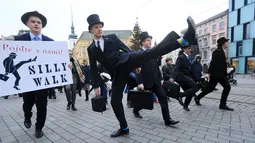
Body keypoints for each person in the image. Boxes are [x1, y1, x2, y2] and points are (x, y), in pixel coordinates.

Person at [86, 14, 197, 137]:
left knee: (150, 53)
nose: (99, 29)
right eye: (96, 27)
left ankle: (183, 40)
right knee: (115, 101)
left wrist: (136, 63)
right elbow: (93, 67)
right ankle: (124, 128)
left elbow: (125, 48)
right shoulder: (91, 49)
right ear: (91, 30)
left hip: (126, 60)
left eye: (100, 26)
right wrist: (96, 86)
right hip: (117, 74)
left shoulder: (111, 37)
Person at [14, 11, 53, 138]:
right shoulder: (19, 40)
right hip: (27, 80)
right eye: (33, 21)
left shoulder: (50, 41)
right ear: (27, 24)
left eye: (39, 22)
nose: (36, 24)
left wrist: (66, 64)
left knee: (42, 105)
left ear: (42, 25)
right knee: (27, 103)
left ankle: (39, 128)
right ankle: (27, 116)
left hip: (42, 80)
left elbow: (56, 60)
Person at [132, 32, 180, 125]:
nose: (150, 42)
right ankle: (135, 110)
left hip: (156, 82)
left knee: (163, 98)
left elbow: (156, 67)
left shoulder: (153, 52)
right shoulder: (138, 54)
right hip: (145, 83)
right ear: (143, 42)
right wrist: (140, 83)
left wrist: (161, 78)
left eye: (151, 40)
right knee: (143, 101)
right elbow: (137, 70)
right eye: (148, 40)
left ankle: (167, 120)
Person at [194, 37, 234, 111]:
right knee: (211, 88)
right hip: (216, 75)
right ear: (223, 43)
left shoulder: (222, 51)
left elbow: (221, 64)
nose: (227, 43)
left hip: (221, 75)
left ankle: (222, 104)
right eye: (226, 42)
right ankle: (197, 98)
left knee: (224, 87)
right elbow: (213, 63)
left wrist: (226, 63)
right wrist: (209, 73)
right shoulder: (217, 52)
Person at [172, 47, 199, 111]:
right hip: (180, 76)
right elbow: (177, 67)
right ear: (184, 49)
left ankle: (185, 105)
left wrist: (196, 79)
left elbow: (189, 70)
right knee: (195, 87)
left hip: (185, 76)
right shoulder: (181, 57)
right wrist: (172, 77)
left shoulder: (188, 57)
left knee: (190, 92)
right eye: (188, 48)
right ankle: (180, 95)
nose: (190, 50)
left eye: (190, 48)